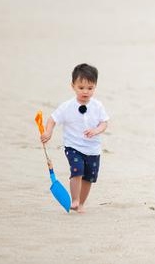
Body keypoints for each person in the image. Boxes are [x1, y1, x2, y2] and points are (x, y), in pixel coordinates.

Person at [41, 63, 109, 213]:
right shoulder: (67, 106)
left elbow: (104, 123)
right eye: (81, 88)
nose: (85, 91)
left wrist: (96, 130)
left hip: (93, 149)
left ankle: (82, 203)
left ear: (95, 87)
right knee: (77, 170)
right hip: (73, 147)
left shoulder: (97, 106)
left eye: (90, 88)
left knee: (88, 178)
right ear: (73, 86)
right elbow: (52, 119)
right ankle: (75, 199)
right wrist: (48, 132)